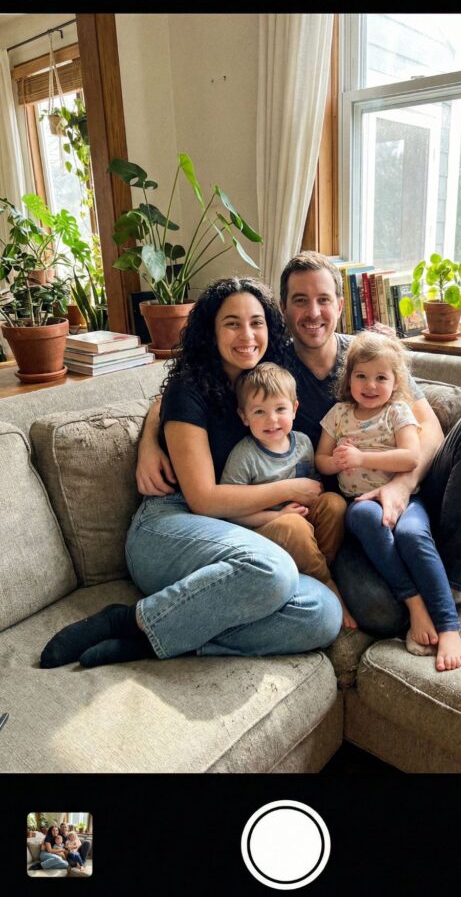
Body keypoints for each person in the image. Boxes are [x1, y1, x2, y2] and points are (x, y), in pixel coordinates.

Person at [134, 252, 461, 639]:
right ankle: (446, 559)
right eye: (300, 300)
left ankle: (454, 577)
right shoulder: (270, 367)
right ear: (283, 309)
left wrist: (401, 487)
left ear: (339, 304)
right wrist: (150, 439)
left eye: (323, 299)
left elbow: (430, 429)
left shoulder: (366, 355)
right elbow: (186, 393)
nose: (313, 312)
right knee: (381, 614)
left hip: (412, 482)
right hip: (356, 513)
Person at [40, 277, 342, 670]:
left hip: (234, 532)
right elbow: (203, 499)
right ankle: (124, 620)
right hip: (169, 525)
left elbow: (158, 402)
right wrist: (291, 489)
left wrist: (151, 435)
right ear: (211, 332)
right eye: (232, 323)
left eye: (256, 322)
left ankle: (160, 638)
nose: (247, 335)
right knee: (274, 569)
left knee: (323, 612)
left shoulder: (268, 384)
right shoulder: (191, 388)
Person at [316, 331, 461, 671]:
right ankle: (416, 605)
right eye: (361, 376)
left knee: (412, 534)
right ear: (348, 378)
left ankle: (449, 626)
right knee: (367, 517)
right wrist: (337, 461)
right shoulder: (338, 414)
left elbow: (411, 458)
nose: (370, 385)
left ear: (396, 381)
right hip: (359, 504)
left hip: (406, 500)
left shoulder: (398, 412)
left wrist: (362, 458)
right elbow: (321, 460)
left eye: (381, 378)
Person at [220, 361, 355, 627]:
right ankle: (327, 583)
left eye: (280, 409)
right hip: (267, 529)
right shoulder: (244, 455)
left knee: (334, 503)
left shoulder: (303, 443)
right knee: (293, 525)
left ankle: (316, 568)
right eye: (259, 411)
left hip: (304, 526)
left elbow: (314, 490)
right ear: (244, 416)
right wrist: (277, 515)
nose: (271, 420)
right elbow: (231, 513)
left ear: (294, 408)